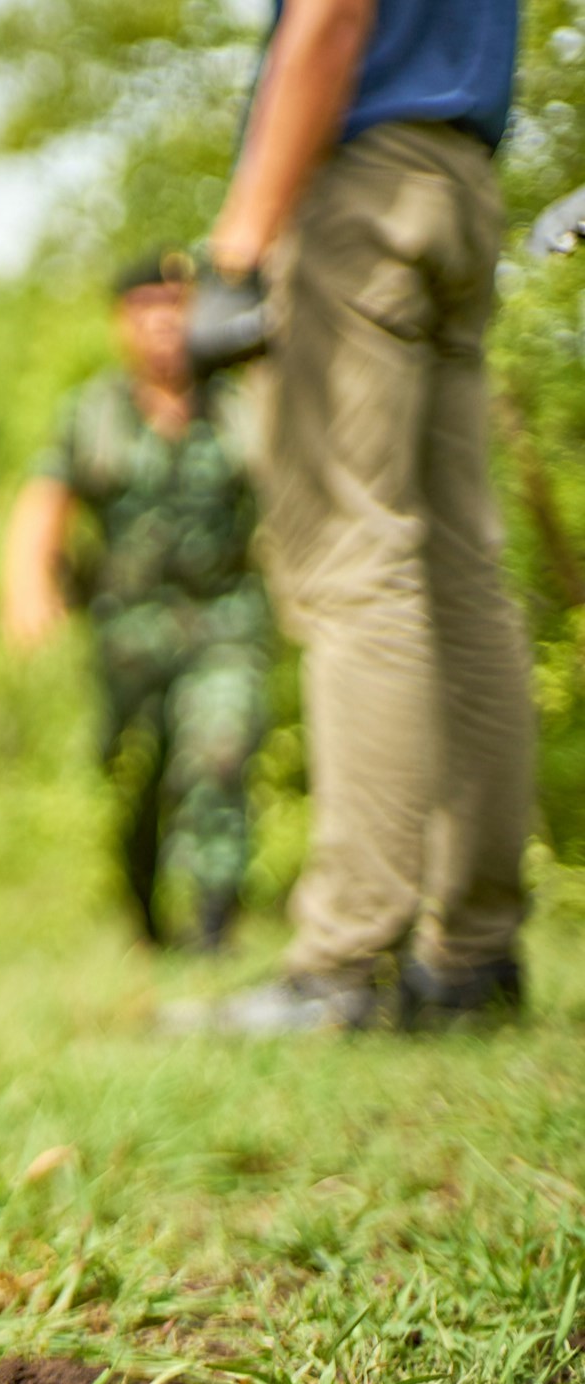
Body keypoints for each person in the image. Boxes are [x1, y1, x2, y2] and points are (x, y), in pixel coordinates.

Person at [179, 0, 532, 1031]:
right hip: (464, 183)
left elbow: (332, 18)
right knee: (464, 573)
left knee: (352, 561)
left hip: (364, 183)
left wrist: (238, 252)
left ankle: (344, 962)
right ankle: (475, 956)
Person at [1, 253, 269, 954]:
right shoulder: (95, 411)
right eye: (146, 308)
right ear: (122, 322)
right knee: (136, 777)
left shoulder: (239, 407)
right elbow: (46, 497)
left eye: (177, 306)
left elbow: (290, 492)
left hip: (223, 618)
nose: (162, 324)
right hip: (129, 630)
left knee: (219, 753)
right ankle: (146, 916)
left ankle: (215, 929)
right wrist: (28, 584)